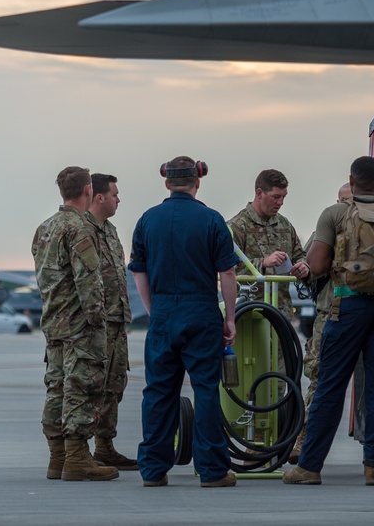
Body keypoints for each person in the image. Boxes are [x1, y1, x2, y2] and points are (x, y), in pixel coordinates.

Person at [283, 156, 374, 486]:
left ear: (352, 179)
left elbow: (315, 265)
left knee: (331, 386)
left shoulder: (334, 214)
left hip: (347, 305)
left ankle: (310, 466)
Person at [128, 156, 240, 488]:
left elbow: (138, 270)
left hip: (163, 314)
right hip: (202, 312)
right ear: (197, 182)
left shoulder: (147, 219)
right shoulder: (212, 219)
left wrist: (154, 309)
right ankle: (213, 471)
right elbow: (228, 271)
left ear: (167, 182)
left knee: (159, 392)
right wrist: (230, 317)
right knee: (206, 390)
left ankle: (153, 469)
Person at [32, 166, 117, 481]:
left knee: (56, 388)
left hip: (53, 322)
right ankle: (78, 458)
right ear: (86, 192)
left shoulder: (45, 228)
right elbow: (88, 281)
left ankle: (58, 458)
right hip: (80, 326)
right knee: (82, 388)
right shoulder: (80, 229)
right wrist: (98, 321)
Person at [288, 182, 353, 465]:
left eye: (349, 201)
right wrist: (303, 269)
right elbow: (306, 263)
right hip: (331, 310)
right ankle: (303, 439)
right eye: (341, 200)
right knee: (319, 378)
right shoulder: (326, 227)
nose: (345, 206)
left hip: (344, 311)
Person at [84, 173, 136, 471]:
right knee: (91, 386)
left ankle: (105, 446)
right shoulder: (83, 231)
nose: (119, 199)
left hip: (116, 322)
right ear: (99, 196)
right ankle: (81, 449)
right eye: (115, 194)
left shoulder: (110, 231)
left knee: (115, 385)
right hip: (95, 324)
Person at [228, 169, 310, 324]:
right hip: (251, 315)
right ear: (260, 193)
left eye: (284, 197)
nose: (280, 202)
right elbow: (228, 269)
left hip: (282, 315)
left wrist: (303, 265)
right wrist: (263, 263)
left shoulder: (284, 224)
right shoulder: (237, 227)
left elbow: (300, 254)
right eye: (276, 197)